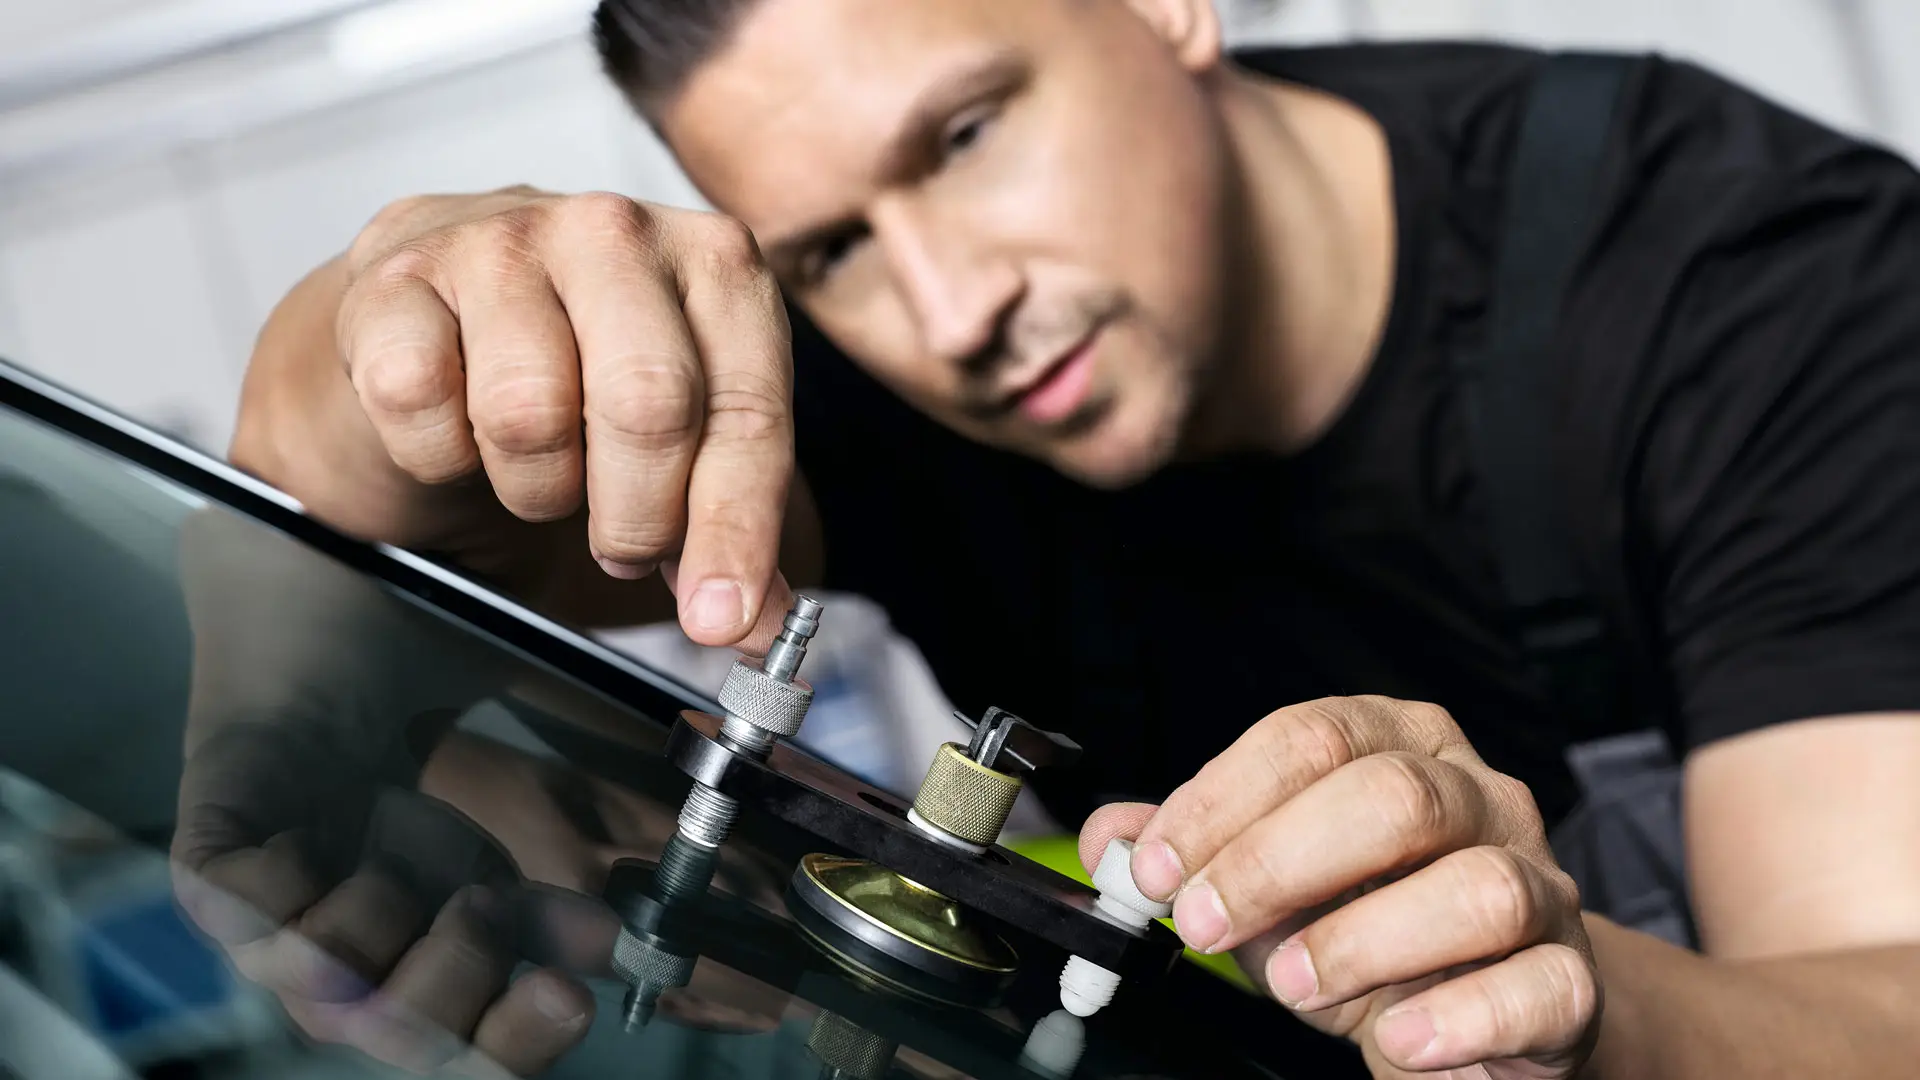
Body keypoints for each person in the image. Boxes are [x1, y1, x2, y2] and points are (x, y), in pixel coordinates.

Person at [226, 0, 1920, 1076]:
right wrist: (383, 314)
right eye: (829, 252)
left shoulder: (1749, 282)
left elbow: (1888, 1008)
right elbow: (387, 500)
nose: (953, 310)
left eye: (967, 138)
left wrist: (1570, 1004)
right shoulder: (903, 372)